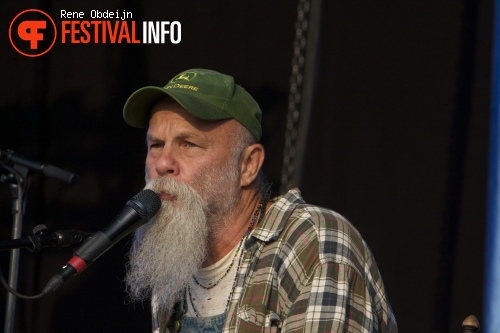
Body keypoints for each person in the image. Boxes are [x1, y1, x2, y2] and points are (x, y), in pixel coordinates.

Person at [122, 68, 398, 333]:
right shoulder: (174, 265)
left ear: (247, 165)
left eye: (189, 144)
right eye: (156, 145)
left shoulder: (312, 241)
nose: (163, 163)